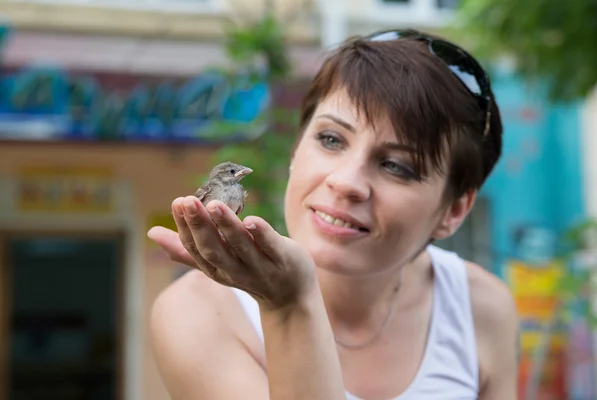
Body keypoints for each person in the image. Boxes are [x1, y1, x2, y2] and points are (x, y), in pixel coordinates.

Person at [148, 28, 520, 400]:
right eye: (331, 139)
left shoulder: (479, 308)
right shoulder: (197, 313)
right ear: (296, 149)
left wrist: (291, 303)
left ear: (453, 211)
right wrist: (288, 306)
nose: (346, 182)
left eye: (396, 165)